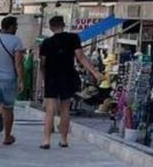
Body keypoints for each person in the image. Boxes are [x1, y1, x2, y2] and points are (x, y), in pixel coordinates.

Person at [39, 15, 104, 149]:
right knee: (65, 109)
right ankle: (63, 139)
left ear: (51, 28)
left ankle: (46, 140)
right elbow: (81, 57)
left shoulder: (46, 43)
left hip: (52, 77)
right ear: (63, 25)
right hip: (68, 76)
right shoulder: (73, 38)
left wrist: (43, 79)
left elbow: (43, 64)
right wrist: (95, 72)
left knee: (50, 110)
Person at [0, 16, 26, 148]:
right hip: (8, 79)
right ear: (11, 26)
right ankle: (7, 136)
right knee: (8, 108)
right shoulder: (16, 41)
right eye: (16, 26)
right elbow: (18, 64)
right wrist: (21, 80)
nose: (17, 28)